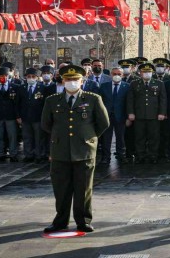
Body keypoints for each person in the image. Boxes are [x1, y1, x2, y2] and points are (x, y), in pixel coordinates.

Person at [41, 64, 109, 233]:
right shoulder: (52, 100)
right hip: (60, 151)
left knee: (83, 188)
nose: (72, 82)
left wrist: (89, 138)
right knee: (61, 189)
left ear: (82, 80)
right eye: (68, 79)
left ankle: (83, 220)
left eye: (75, 80)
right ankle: (60, 221)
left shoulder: (93, 99)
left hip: (84, 150)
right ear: (63, 81)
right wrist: (60, 137)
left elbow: (104, 123)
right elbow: (46, 124)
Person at [126, 62, 167, 164]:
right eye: (144, 72)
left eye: (149, 72)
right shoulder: (134, 83)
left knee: (154, 137)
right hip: (139, 115)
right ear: (140, 73)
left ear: (152, 72)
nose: (147, 74)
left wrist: (162, 113)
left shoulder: (159, 83)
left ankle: (153, 155)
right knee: (139, 137)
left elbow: (163, 100)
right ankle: (141, 155)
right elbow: (130, 100)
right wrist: (130, 113)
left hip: (154, 115)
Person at [0, 67, 22, 161]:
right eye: (1, 76)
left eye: (5, 75)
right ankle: (0, 154)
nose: (3, 77)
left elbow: (17, 103)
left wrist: (18, 116)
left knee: (12, 136)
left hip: (11, 116)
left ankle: (13, 154)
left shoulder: (15, 87)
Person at [98, 67, 130, 164]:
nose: (116, 76)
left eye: (119, 74)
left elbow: (129, 102)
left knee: (120, 137)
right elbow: (100, 101)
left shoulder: (127, 86)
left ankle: (121, 156)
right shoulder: (104, 86)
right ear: (111, 75)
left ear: (122, 75)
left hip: (121, 116)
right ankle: (106, 157)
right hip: (107, 116)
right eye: (114, 74)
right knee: (106, 138)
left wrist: (128, 116)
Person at [19, 68, 47, 163]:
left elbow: (45, 104)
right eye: (29, 77)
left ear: (37, 78)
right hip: (25, 117)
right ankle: (28, 154)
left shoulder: (43, 88)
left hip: (38, 117)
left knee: (39, 137)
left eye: (33, 77)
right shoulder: (21, 88)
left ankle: (39, 155)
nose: (31, 78)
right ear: (26, 77)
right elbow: (17, 103)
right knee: (27, 137)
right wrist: (18, 116)